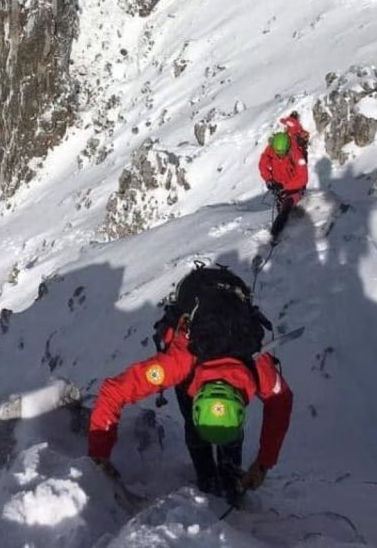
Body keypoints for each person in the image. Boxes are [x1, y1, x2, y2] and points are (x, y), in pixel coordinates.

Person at [88, 264, 293, 502]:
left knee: (196, 430)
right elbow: (281, 400)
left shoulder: (251, 363)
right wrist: (263, 464)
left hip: (208, 316)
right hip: (203, 322)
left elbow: (116, 390)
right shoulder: (246, 366)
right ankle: (228, 484)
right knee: (225, 435)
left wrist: (99, 454)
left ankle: (210, 482)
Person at [258, 112, 309, 242]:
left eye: (282, 153)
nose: (279, 155)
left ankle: (276, 234)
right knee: (281, 206)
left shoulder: (296, 154)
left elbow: (303, 178)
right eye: (277, 153)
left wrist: (284, 186)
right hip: (279, 185)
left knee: (286, 208)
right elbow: (263, 163)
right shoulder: (273, 147)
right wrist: (268, 179)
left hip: (294, 188)